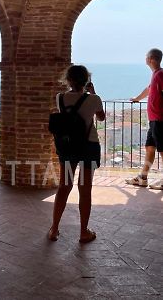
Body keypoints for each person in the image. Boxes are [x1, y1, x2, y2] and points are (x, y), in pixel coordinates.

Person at [48, 65, 105, 243]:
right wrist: (92, 92)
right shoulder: (94, 99)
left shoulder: (60, 98)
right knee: (85, 189)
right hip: (89, 146)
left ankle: (54, 229)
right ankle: (83, 231)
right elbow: (101, 117)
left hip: (68, 147)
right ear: (86, 80)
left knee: (64, 187)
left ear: (68, 80)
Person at [126, 48, 163, 190]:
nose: (145, 59)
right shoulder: (155, 75)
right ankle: (143, 177)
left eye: (147, 57)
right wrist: (136, 99)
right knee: (150, 147)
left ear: (151, 59)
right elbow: (148, 90)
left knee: (162, 149)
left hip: (160, 119)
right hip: (154, 120)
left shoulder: (160, 74)